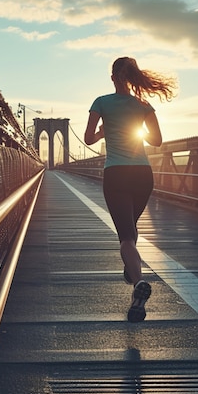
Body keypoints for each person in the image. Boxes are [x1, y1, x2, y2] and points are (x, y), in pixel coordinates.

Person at [84, 56, 177, 322]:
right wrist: (138, 130)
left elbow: (89, 138)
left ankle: (137, 282)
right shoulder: (144, 105)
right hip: (142, 175)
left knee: (126, 236)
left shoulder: (101, 102)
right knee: (131, 231)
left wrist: (105, 132)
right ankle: (132, 272)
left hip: (116, 174)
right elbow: (157, 141)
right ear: (135, 77)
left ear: (112, 77)